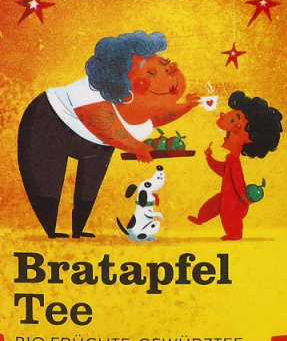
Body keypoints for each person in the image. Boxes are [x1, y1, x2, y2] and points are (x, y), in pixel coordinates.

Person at [18, 30, 200, 238]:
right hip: (50, 122)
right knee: (47, 181)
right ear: (125, 84)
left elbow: (156, 117)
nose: (171, 68)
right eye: (151, 72)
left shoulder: (138, 101)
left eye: (165, 63)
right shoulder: (91, 94)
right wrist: (136, 146)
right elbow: (104, 126)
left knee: (91, 182)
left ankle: (78, 230)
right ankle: (50, 231)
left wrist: (187, 106)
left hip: (99, 142)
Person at [188, 91, 283, 240]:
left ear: (238, 131)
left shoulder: (234, 161)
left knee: (229, 216)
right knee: (213, 205)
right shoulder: (231, 158)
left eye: (231, 132)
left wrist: (244, 198)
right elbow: (223, 170)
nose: (226, 137)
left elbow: (238, 181)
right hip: (228, 196)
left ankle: (235, 234)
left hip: (236, 201)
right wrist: (209, 158)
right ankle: (201, 219)